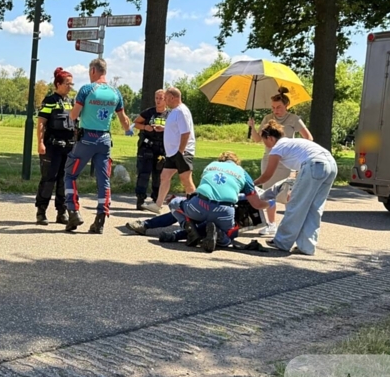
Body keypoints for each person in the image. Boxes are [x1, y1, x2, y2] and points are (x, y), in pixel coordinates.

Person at [130, 152, 267, 252]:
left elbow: (204, 188)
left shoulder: (211, 165)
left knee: (178, 205)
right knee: (229, 234)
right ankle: (220, 237)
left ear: (220, 160)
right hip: (224, 212)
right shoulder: (242, 173)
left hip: (199, 205)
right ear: (237, 163)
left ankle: (171, 229)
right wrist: (270, 203)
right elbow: (256, 204)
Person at [64, 57, 132, 234]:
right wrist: (128, 129)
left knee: (70, 175)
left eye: (89, 72)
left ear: (93, 71)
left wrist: (72, 111)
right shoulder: (115, 93)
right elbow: (124, 120)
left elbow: (73, 115)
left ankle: (73, 211)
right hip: (104, 140)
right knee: (104, 181)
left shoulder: (87, 89)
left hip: (87, 138)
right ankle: (100, 219)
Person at [254, 121, 338, 255]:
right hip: (331, 165)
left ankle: (281, 241)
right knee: (314, 208)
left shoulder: (277, 148)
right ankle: (307, 246)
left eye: (264, 141)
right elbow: (297, 171)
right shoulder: (292, 143)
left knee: (296, 205)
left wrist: (251, 184)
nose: (265, 145)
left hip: (314, 164)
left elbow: (267, 175)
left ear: (270, 138)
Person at [248, 87, 313, 236]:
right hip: (269, 158)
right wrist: (252, 127)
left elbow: (308, 138)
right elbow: (258, 139)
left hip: (287, 161)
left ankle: (293, 224)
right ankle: (271, 224)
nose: (276, 110)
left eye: (279, 107)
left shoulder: (294, 119)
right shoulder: (268, 118)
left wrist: (297, 152)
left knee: (286, 193)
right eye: (273, 107)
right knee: (268, 192)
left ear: (286, 106)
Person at [143, 86, 196, 214]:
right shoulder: (175, 111)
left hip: (181, 152)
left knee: (186, 181)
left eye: (166, 98)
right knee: (164, 176)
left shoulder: (181, 111)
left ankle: (197, 206)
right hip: (173, 152)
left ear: (173, 97)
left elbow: (186, 133)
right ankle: (158, 205)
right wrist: (164, 128)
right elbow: (175, 128)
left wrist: (180, 152)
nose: (165, 100)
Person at [34, 68, 76, 225]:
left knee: (64, 180)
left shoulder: (71, 102)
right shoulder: (50, 100)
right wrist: (40, 143)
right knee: (48, 179)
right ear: (58, 84)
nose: (70, 86)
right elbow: (41, 123)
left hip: (69, 147)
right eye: (67, 83)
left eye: (71, 83)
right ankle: (41, 211)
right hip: (52, 146)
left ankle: (61, 212)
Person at [133, 89, 166, 210]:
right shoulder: (149, 112)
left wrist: (164, 129)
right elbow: (135, 123)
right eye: (156, 98)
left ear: (166, 99)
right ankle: (140, 199)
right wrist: (145, 127)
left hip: (161, 149)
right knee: (144, 174)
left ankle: (156, 200)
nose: (158, 100)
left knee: (159, 175)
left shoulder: (170, 114)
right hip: (147, 147)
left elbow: (175, 129)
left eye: (160, 98)